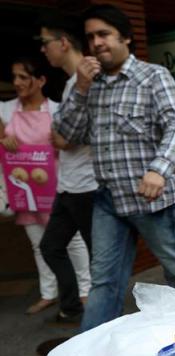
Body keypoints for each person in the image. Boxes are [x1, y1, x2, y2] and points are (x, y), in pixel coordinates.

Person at [53, 4, 175, 332]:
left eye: (104, 34)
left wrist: (159, 169)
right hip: (108, 200)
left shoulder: (153, 77)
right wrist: (79, 89)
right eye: (91, 37)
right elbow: (67, 133)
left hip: (152, 199)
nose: (97, 43)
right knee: (103, 280)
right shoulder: (89, 85)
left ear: (127, 38)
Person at [0, 56, 91, 315]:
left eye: (23, 77)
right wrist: (2, 140)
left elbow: (71, 145)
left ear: (40, 81)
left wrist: (60, 142)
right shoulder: (6, 110)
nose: (17, 82)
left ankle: (85, 290)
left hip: (56, 187)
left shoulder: (55, 109)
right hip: (23, 190)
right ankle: (48, 293)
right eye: (14, 77)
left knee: (72, 242)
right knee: (39, 245)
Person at [38, 14, 98, 324]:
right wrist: (60, 136)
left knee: (99, 259)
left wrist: (61, 136)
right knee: (50, 246)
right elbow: (59, 136)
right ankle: (73, 306)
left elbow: (73, 136)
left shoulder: (87, 79)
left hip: (88, 186)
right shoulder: (69, 84)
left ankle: (104, 319)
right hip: (68, 185)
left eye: (45, 43)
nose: (43, 50)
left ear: (63, 43)